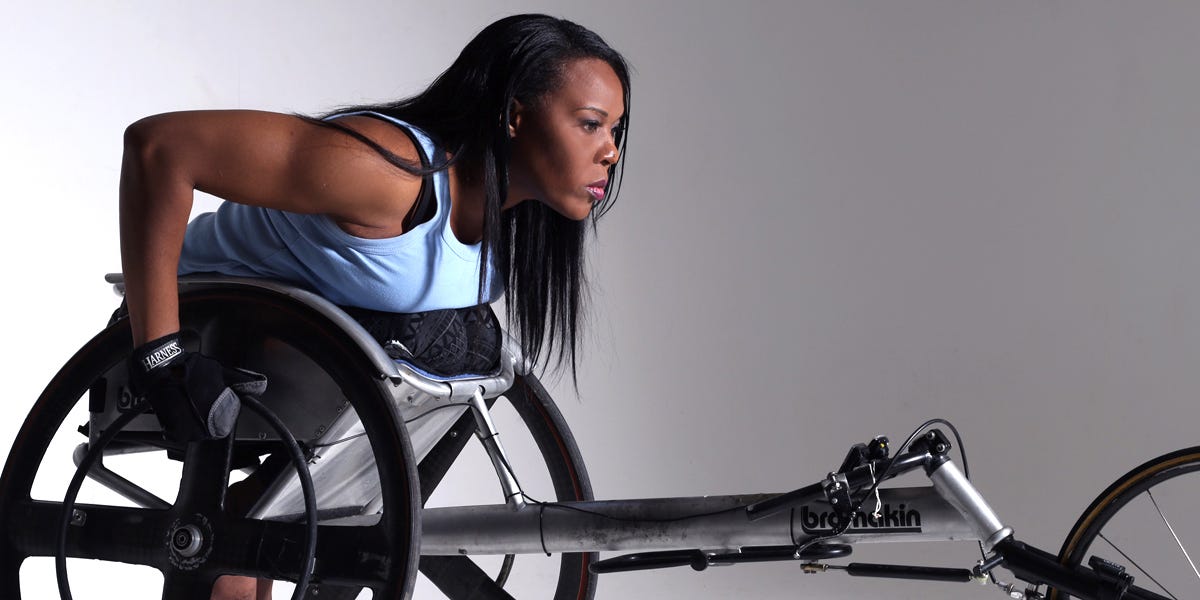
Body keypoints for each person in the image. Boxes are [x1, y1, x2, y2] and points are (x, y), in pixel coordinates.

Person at [118, 13, 630, 600]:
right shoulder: (387, 173)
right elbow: (159, 146)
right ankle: (250, 520)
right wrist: (161, 353)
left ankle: (305, 527)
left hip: (328, 347)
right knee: (438, 346)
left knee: (471, 357)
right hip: (210, 323)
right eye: (591, 125)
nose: (610, 152)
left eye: (615, 131)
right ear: (516, 116)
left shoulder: (504, 215)